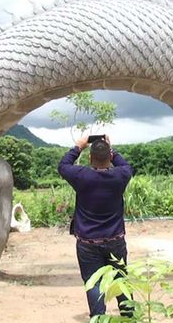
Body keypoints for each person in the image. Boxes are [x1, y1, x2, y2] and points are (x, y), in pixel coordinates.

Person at [58, 134, 134, 319]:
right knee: (121, 280)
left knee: (94, 283)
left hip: (87, 243)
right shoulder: (121, 175)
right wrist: (110, 148)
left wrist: (79, 146)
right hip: (115, 240)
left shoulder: (81, 175)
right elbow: (124, 164)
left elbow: (63, 166)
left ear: (90, 158)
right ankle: (129, 317)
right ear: (110, 157)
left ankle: (99, 318)